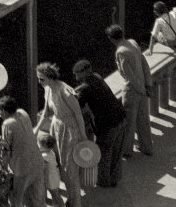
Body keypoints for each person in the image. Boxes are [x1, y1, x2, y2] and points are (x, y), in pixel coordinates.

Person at [35, 62, 89, 207]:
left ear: (50, 77)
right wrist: (37, 128)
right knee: (62, 168)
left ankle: (76, 203)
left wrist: (83, 137)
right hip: (56, 127)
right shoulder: (47, 90)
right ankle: (71, 200)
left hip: (70, 131)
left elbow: (78, 115)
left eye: (41, 79)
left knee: (71, 170)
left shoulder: (65, 91)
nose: (40, 82)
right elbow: (46, 112)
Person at [71, 58, 127, 187]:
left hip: (108, 125)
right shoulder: (97, 77)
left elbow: (77, 105)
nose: (75, 76)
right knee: (116, 153)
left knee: (104, 153)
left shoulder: (85, 88)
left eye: (77, 73)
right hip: (120, 118)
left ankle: (103, 181)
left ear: (85, 72)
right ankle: (114, 180)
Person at [106, 24, 153, 156]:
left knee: (129, 122)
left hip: (132, 90)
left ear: (111, 39)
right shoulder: (133, 43)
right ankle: (147, 147)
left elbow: (129, 76)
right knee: (143, 120)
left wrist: (140, 90)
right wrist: (147, 85)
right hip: (143, 86)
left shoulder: (120, 52)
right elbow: (144, 64)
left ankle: (127, 150)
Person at [0, 94, 45, 207]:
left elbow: (6, 149)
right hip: (37, 162)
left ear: (4, 110)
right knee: (36, 200)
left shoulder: (7, 124)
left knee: (16, 200)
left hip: (23, 167)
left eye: (0, 111)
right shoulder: (23, 113)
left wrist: (2, 168)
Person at [37, 134, 64, 207]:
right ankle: (58, 204)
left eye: (39, 144)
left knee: (55, 195)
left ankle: (60, 205)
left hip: (51, 179)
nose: (38, 146)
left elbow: (43, 170)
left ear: (44, 146)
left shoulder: (45, 156)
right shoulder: (51, 152)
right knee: (55, 195)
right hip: (54, 177)